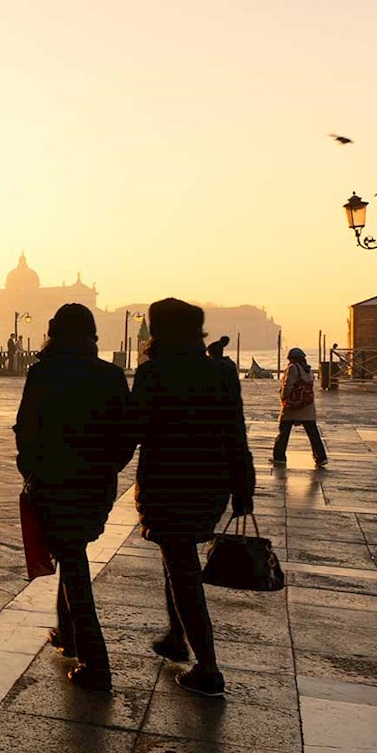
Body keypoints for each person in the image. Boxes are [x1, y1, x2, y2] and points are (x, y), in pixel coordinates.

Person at [131, 297, 254, 697]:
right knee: (177, 555)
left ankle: (208, 665)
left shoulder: (153, 373)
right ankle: (174, 636)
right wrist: (243, 489)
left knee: (181, 566)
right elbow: (237, 433)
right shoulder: (222, 372)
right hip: (211, 484)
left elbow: (134, 429)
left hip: (167, 482)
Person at [13, 303, 138, 690]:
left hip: (54, 481)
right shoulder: (112, 375)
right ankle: (67, 634)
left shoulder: (43, 373)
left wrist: (31, 469)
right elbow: (126, 435)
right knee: (73, 550)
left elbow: (26, 429)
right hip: (96, 484)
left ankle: (96, 663)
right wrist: (107, 469)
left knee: (73, 560)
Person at [272, 346, 327, 467]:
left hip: (293, 405)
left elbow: (288, 386)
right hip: (307, 406)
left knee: (284, 431)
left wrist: (283, 397)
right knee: (313, 433)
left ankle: (279, 456)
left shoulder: (292, 368)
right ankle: (321, 457)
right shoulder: (308, 370)